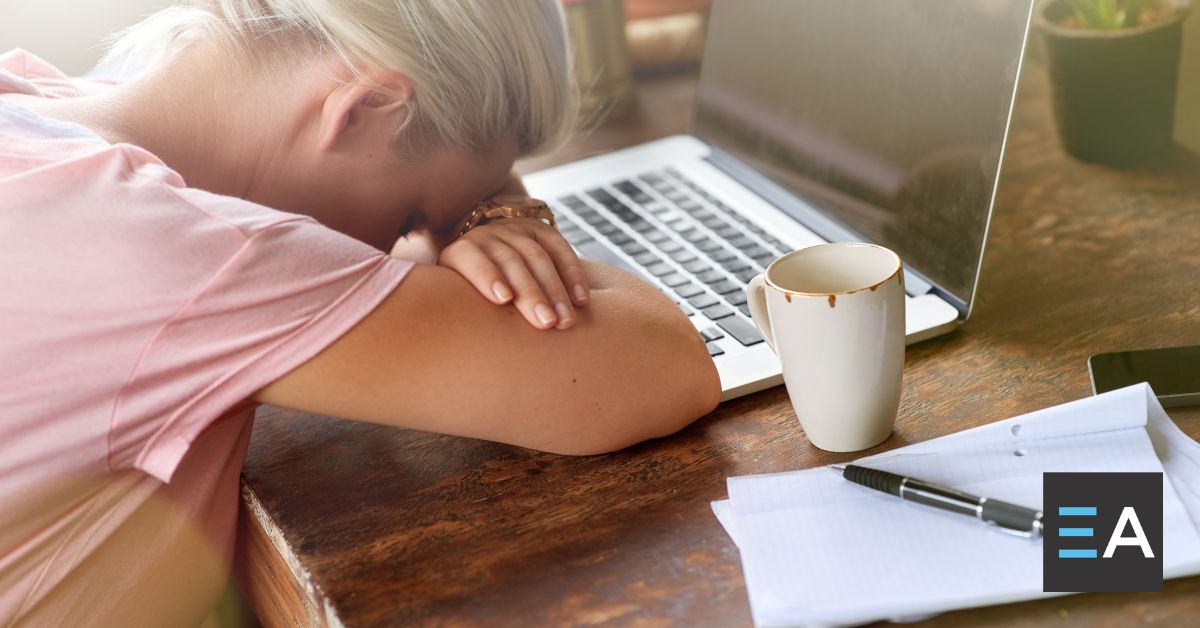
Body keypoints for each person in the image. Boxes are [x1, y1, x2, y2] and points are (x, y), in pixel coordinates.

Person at [0, 1, 720, 624]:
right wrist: (512, 219)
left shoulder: (35, 98)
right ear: (365, 108)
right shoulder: (182, 253)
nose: (405, 245)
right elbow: (663, 364)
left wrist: (484, 202)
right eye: (415, 213)